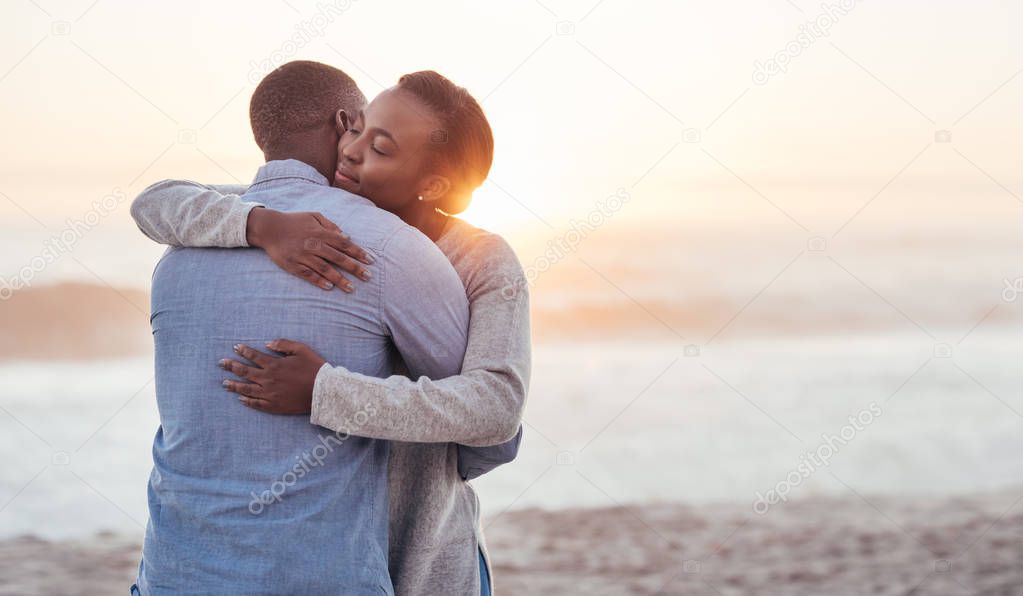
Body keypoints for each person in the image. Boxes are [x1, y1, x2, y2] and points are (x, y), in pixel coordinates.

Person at [131, 65, 530, 595]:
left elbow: (497, 417)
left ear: (433, 183)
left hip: (422, 552)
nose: (352, 150)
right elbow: (158, 202)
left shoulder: (479, 259)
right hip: (333, 554)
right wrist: (261, 225)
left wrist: (325, 391)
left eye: (381, 148)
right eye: (356, 130)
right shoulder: (297, 224)